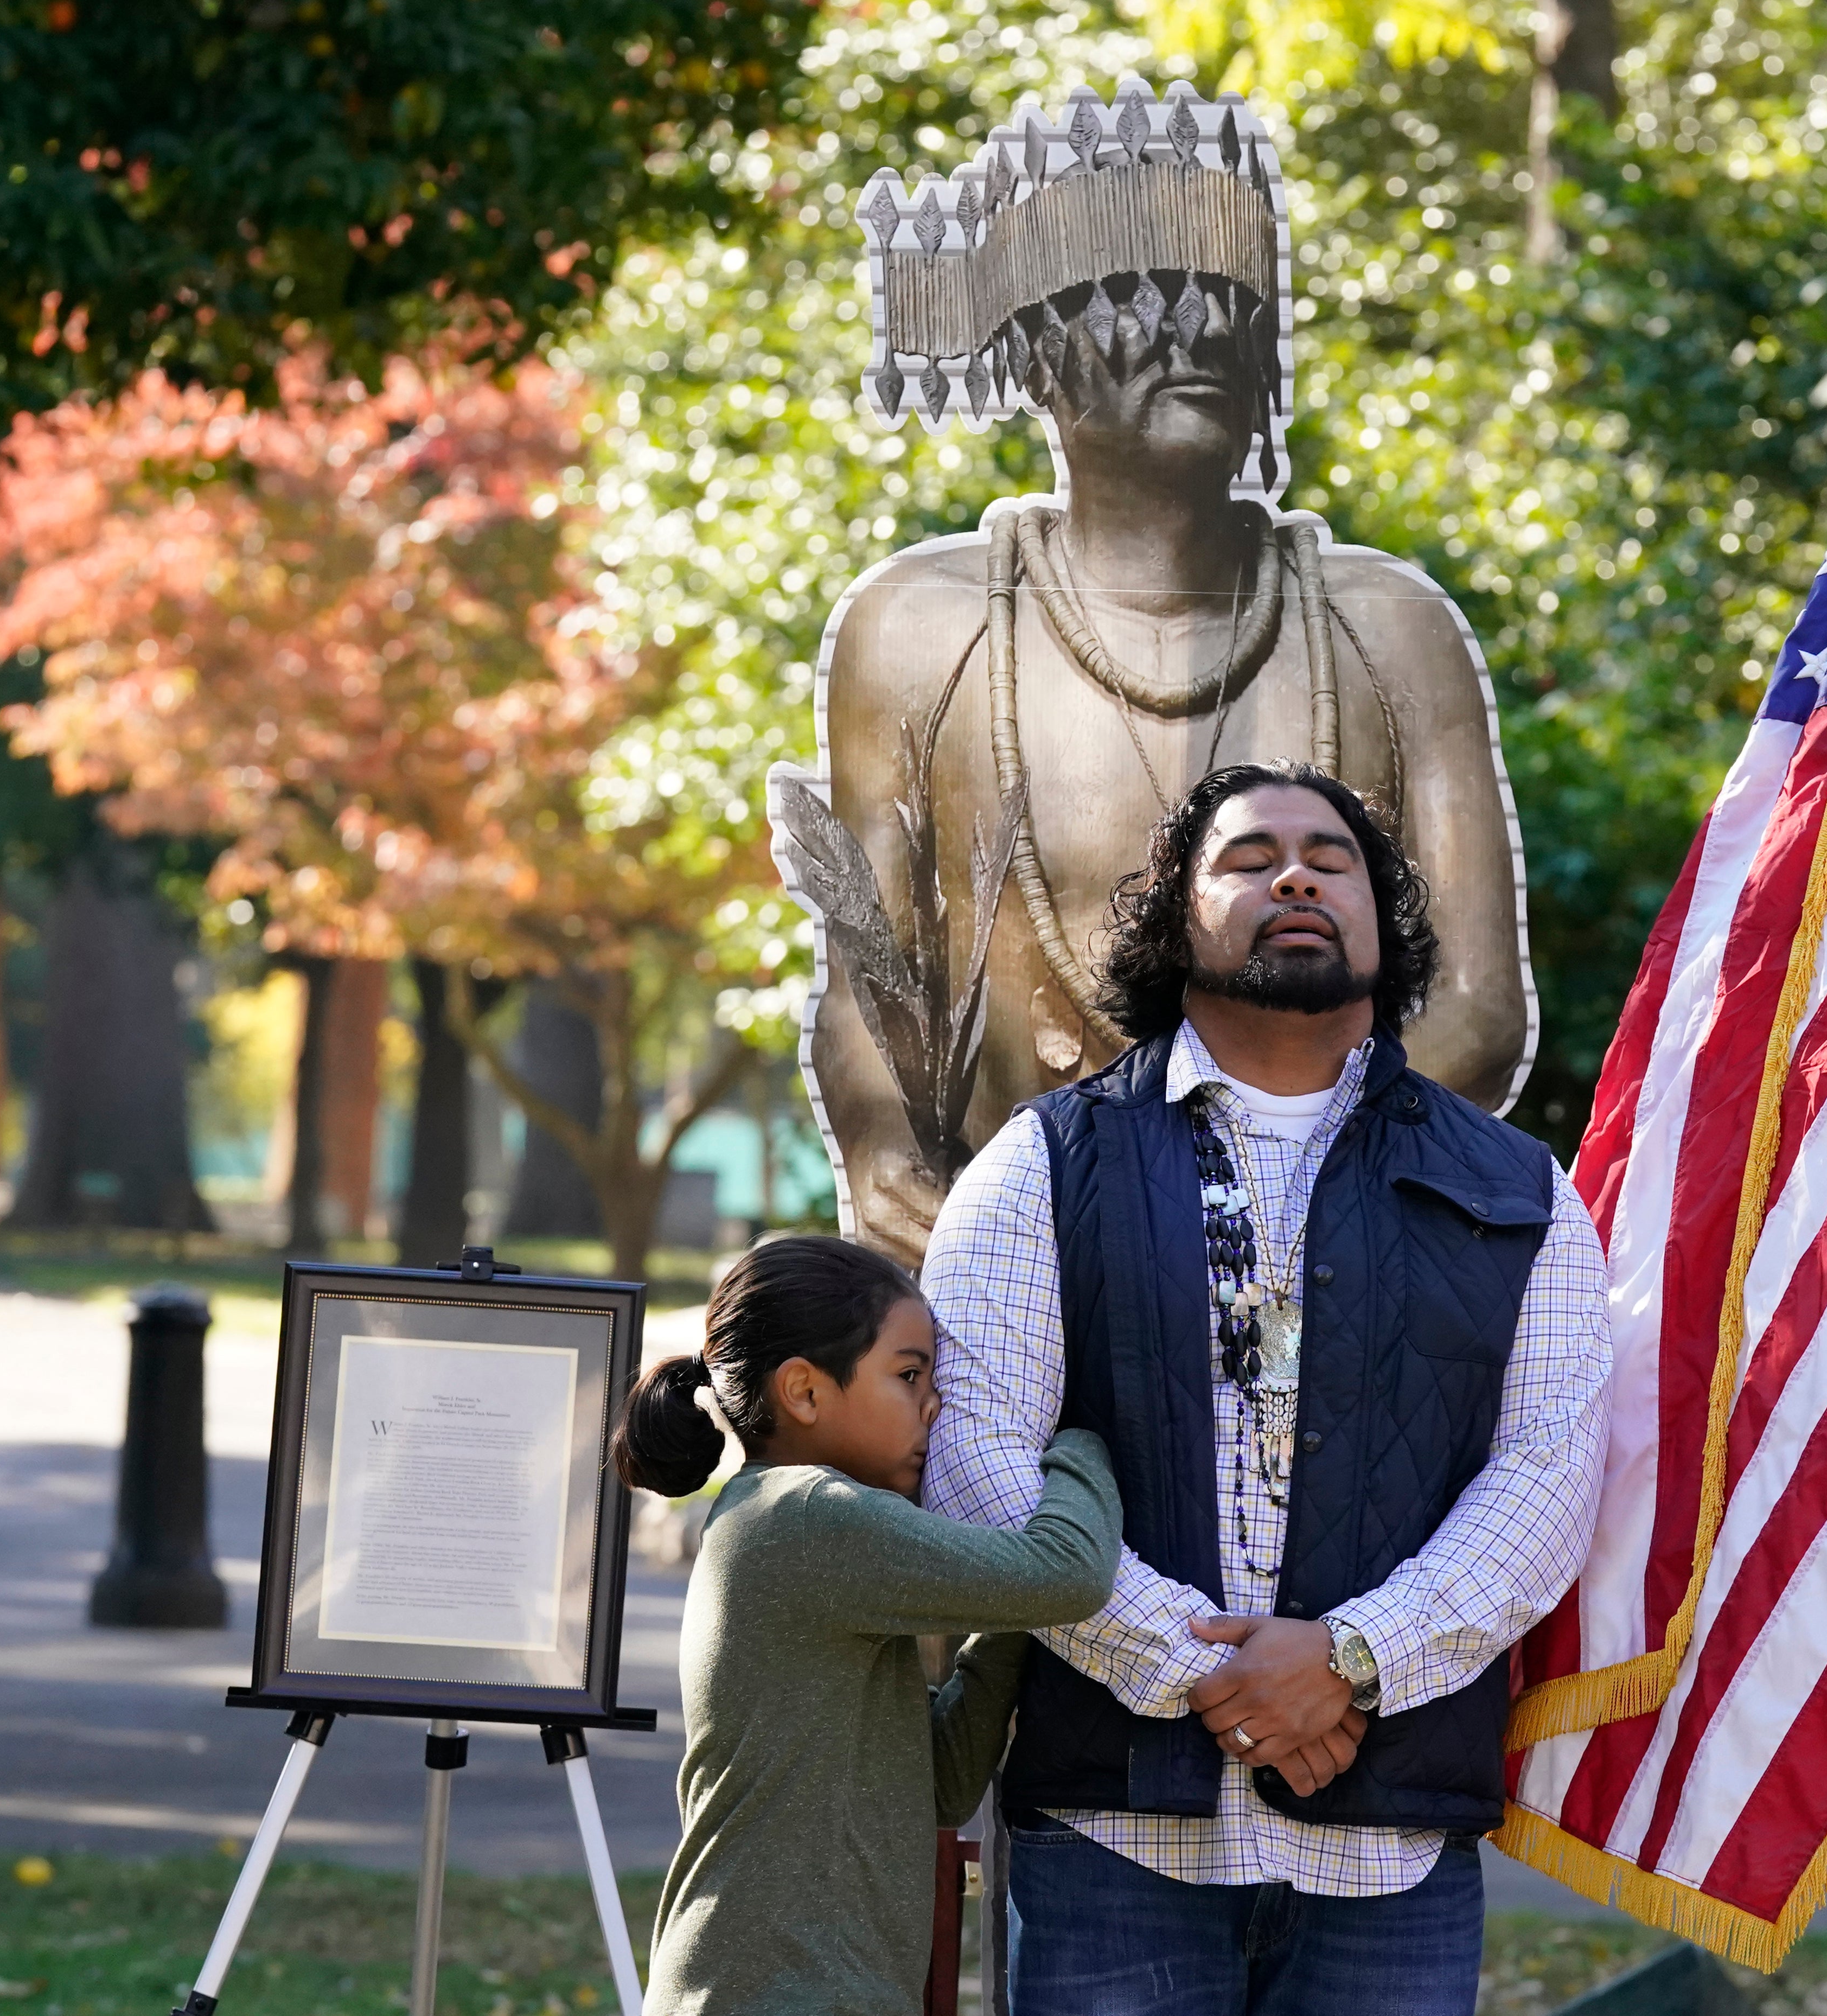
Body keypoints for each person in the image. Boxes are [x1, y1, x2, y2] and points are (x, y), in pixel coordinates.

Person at [798, 82, 1533, 1267]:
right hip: (1010, 1243)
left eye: (1226, 309)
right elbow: (870, 978)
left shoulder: (1386, 627)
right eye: (1137, 303)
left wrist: (1263, 1189)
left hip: (1330, 1246)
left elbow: (1479, 1011)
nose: (1192, 338)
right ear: (1038, 357)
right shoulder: (923, 626)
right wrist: (889, 1153)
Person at [921, 763, 1613, 2015]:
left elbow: (1550, 1476)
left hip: (1388, 1846)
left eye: (1328, 857)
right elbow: (980, 1461)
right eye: (1247, 858)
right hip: (1117, 1830)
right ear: (1177, 916)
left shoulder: (1520, 1188)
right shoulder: (1043, 1163)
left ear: (1380, 918)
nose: (1292, 875)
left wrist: (1350, 1657)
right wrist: (1211, 1678)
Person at [619, 1235, 1123, 2016]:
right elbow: (1071, 1573)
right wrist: (1082, 1431)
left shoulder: (789, 1528)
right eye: (909, 1375)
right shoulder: (807, 1518)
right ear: (805, 1392)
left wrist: (1012, 1613)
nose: (935, 1404)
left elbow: (945, 1782)